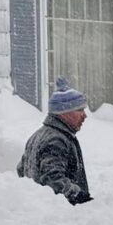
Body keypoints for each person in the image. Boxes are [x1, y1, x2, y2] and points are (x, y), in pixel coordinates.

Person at [17, 77, 92, 205]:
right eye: (80, 110)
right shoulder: (56, 140)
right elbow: (52, 178)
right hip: (58, 214)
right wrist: (78, 195)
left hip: (38, 208)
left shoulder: (38, 135)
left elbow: (21, 170)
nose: (84, 116)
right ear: (64, 113)